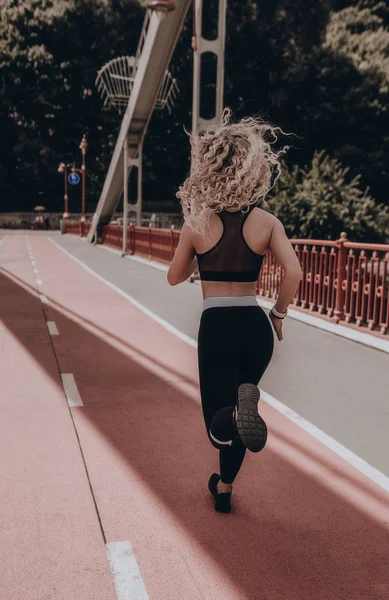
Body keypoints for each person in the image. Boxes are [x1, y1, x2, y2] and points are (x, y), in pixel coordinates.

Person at [167, 109, 302, 513]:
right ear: (253, 170)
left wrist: (198, 260)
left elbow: (174, 277)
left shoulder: (198, 223)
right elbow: (293, 272)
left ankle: (237, 414)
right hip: (254, 324)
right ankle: (223, 489)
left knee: (218, 422)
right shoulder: (267, 222)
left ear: (211, 168)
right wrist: (278, 314)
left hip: (218, 326)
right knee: (240, 415)